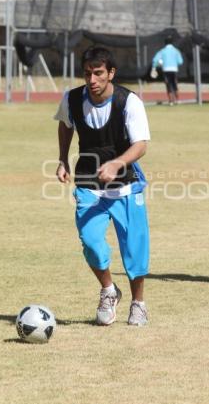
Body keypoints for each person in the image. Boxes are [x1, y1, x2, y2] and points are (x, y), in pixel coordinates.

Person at [54, 46, 150, 325]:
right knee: (91, 243)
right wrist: (63, 159)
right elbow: (65, 125)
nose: (92, 80)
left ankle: (138, 303)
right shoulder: (72, 99)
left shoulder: (128, 101)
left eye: (98, 73)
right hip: (88, 183)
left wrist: (117, 163)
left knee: (134, 249)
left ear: (111, 73)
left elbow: (141, 145)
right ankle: (109, 290)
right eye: (87, 74)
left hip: (126, 186)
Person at [151, 35, 183, 106]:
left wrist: (154, 67)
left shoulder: (162, 51)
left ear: (165, 43)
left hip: (166, 70)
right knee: (175, 85)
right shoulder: (176, 51)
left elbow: (155, 60)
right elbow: (180, 61)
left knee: (168, 85)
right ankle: (177, 100)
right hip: (174, 70)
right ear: (172, 43)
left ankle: (171, 101)